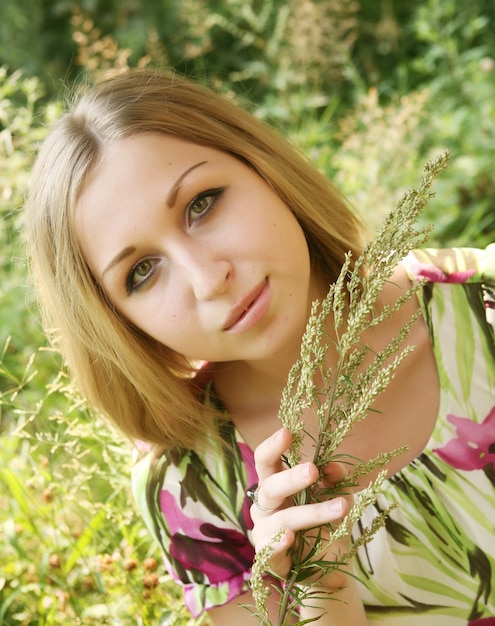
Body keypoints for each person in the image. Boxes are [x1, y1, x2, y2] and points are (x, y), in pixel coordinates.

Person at [25, 69, 495, 625]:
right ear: (118, 322)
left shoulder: (482, 307)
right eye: (142, 272)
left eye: (202, 203)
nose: (208, 279)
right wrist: (317, 582)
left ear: (262, 167)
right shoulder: (191, 485)